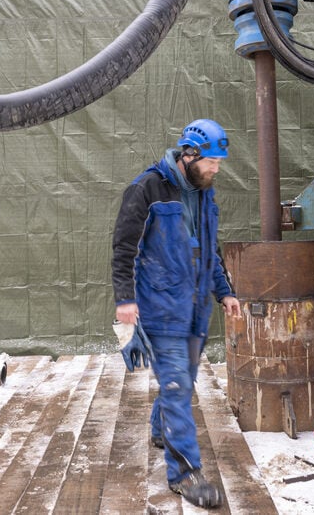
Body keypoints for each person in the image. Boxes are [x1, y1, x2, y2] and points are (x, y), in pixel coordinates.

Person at [111, 119, 242, 509]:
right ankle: (185, 473)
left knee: (179, 380)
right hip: (160, 309)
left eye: (219, 162)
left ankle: (160, 429)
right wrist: (125, 299)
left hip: (196, 309)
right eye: (212, 162)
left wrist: (225, 292)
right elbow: (123, 248)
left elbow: (209, 247)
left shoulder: (203, 193)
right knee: (177, 387)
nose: (216, 169)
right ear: (189, 155)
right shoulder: (147, 189)